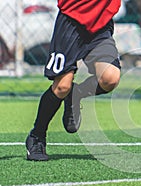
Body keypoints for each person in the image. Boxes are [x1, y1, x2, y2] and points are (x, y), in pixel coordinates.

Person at [25, 0, 122, 161]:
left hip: (99, 24)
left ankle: (76, 93)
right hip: (71, 20)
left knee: (110, 78)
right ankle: (37, 136)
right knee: (62, 86)